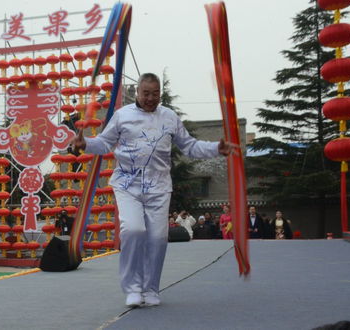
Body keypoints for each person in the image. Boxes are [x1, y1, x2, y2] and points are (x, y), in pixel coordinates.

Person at [71, 73, 232, 307]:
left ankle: (151, 288)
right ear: (137, 92)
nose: (150, 98)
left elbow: (190, 146)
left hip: (158, 186)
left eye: (155, 94)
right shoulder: (122, 116)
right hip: (128, 184)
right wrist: (85, 143)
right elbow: (104, 142)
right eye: (145, 93)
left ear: (160, 94)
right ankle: (133, 288)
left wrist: (216, 148)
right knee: (134, 230)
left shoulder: (169, 117)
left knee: (158, 238)